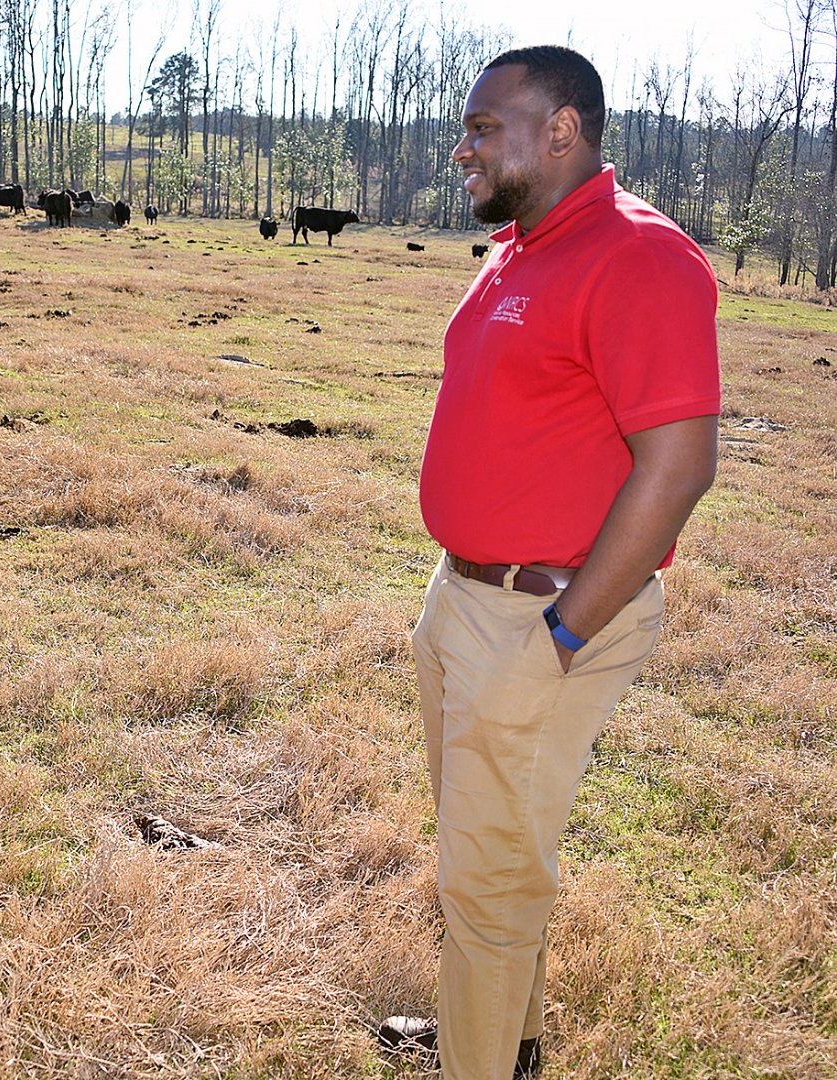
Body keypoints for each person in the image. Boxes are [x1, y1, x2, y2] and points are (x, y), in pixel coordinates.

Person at [377, 46, 720, 1079]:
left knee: (483, 882)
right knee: (494, 855)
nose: (462, 147)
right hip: (470, 600)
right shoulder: (522, 251)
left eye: (484, 127)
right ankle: (509, 1043)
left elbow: (680, 466)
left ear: (561, 129)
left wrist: (562, 632)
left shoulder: (639, 258)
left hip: (543, 614)